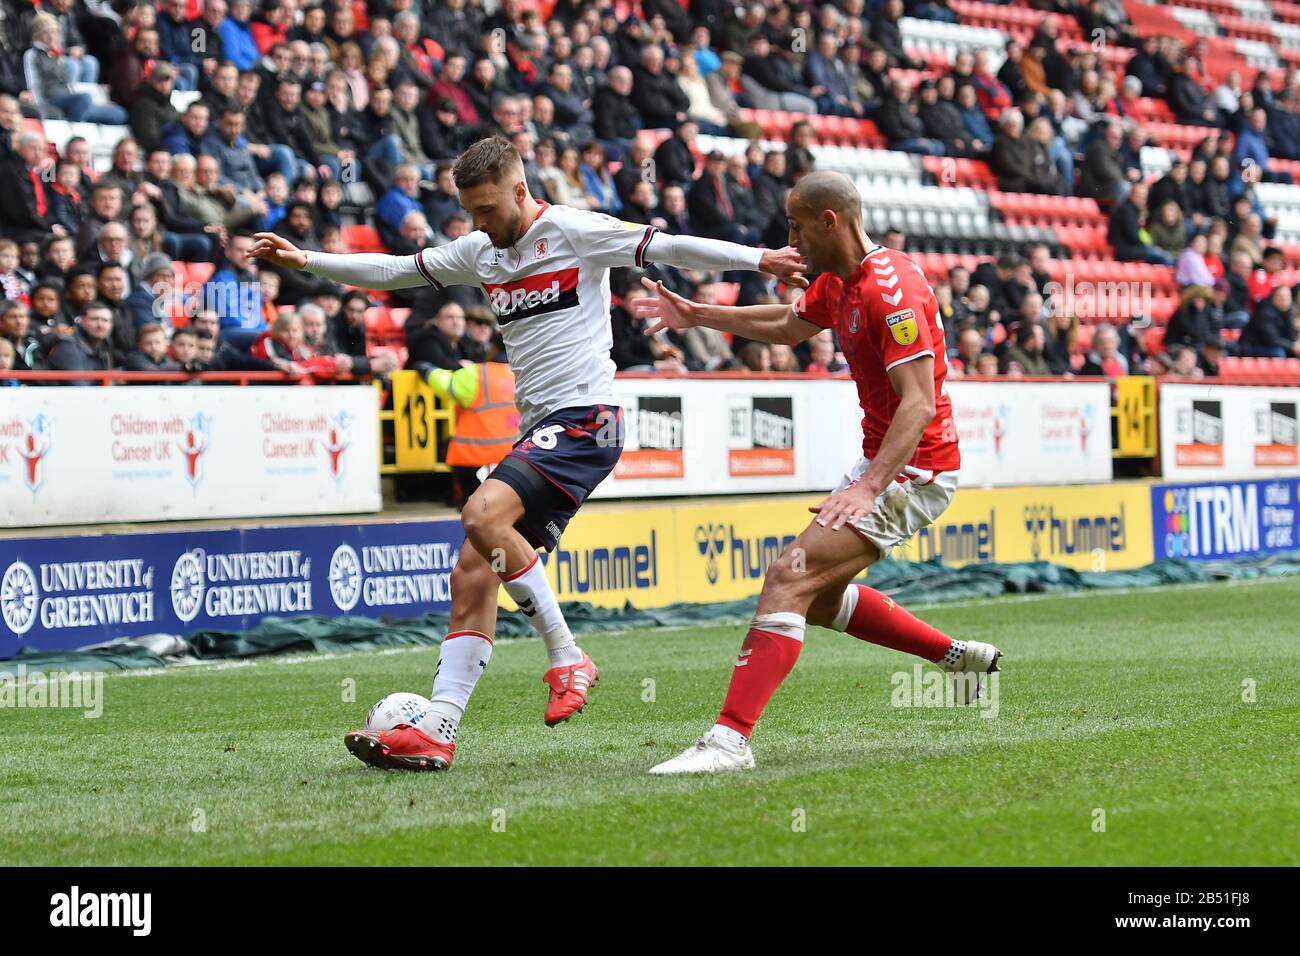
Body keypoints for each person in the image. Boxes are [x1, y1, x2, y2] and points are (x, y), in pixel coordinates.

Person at [249, 136, 806, 772]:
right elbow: (395, 270)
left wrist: (760, 258)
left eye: (486, 209)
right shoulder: (481, 251)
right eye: (469, 212)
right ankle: (439, 727)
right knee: (474, 568)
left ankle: (568, 656)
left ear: (520, 190)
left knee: (483, 516)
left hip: (587, 421)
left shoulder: (573, 230)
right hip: (542, 429)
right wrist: (308, 261)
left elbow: (669, 244)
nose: (478, 224)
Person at [634, 171, 1002, 774]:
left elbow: (918, 404)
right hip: (885, 461)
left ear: (829, 221)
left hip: (916, 468)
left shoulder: (891, 289)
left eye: (796, 225)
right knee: (818, 597)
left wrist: (869, 486)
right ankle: (954, 656)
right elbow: (787, 326)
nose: (790, 239)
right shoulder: (839, 282)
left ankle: (729, 742)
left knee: (787, 578)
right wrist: (699, 314)